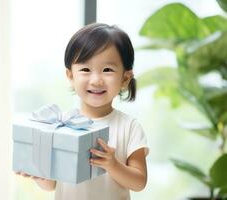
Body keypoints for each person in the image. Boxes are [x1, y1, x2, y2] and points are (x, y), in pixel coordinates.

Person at [16, 23, 149, 200]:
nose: (96, 80)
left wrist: (113, 165)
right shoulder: (61, 124)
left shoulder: (129, 126)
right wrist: (39, 174)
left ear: (125, 78)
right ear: (71, 75)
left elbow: (139, 182)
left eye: (107, 70)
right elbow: (52, 185)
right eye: (85, 69)